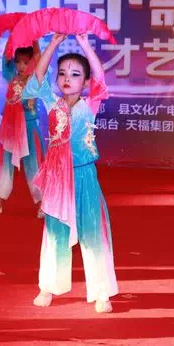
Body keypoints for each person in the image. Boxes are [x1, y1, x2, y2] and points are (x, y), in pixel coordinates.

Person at [25, 33, 117, 313]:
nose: (67, 78)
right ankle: (48, 287)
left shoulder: (91, 104)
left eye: (76, 74)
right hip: (58, 180)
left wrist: (85, 44)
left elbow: (100, 76)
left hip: (84, 176)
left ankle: (101, 292)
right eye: (63, 73)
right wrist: (53, 44)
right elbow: (38, 76)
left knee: (92, 232)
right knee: (55, 233)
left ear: (85, 82)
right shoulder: (52, 103)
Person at [0, 43, 45, 216]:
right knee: (4, 164)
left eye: (26, 62)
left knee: (34, 166)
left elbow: (39, 57)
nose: (21, 66)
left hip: (28, 128)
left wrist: (34, 39)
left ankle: (43, 206)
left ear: (32, 63)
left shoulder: (35, 80)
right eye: (18, 62)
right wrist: (12, 38)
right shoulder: (12, 76)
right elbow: (5, 58)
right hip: (11, 128)